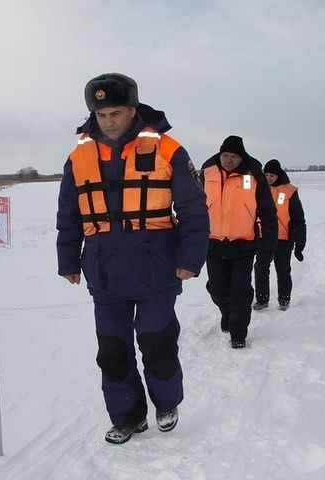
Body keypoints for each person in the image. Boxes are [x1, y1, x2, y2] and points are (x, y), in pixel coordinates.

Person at [56, 73, 209, 445]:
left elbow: (193, 209)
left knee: (156, 341)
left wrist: (191, 258)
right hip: (104, 269)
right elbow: (69, 213)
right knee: (111, 348)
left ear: (133, 110)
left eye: (116, 113)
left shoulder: (169, 149)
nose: (108, 121)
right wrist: (68, 260)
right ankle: (128, 416)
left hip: (156, 265)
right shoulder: (79, 157)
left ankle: (167, 402)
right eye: (102, 113)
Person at [200, 136, 277, 348]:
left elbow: (268, 214)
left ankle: (238, 333)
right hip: (213, 243)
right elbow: (194, 207)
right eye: (225, 155)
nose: (228, 160)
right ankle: (226, 311)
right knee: (217, 289)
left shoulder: (253, 176)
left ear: (241, 157)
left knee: (240, 291)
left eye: (234, 157)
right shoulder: (207, 173)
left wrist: (268, 248)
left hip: (243, 244)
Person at [253, 159, 306, 311]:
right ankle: (262, 299)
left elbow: (299, 219)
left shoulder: (289, 191)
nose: (268, 178)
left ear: (279, 175)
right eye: (266, 175)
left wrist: (300, 243)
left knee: (283, 270)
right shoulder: (258, 189)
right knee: (261, 268)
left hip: (283, 239)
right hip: (263, 238)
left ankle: (284, 299)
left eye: (272, 175)